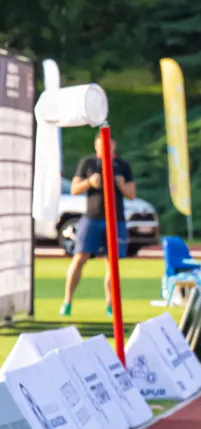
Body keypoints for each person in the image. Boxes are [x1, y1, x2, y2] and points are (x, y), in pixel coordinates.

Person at [61, 131, 134, 317]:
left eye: (109, 143)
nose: (106, 147)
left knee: (112, 264)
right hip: (91, 218)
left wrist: (120, 184)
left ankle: (111, 306)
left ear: (114, 144)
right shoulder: (88, 163)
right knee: (79, 259)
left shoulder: (122, 165)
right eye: (102, 143)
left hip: (115, 220)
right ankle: (67, 302)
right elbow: (74, 189)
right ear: (96, 145)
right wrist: (89, 182)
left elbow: (131, 194)